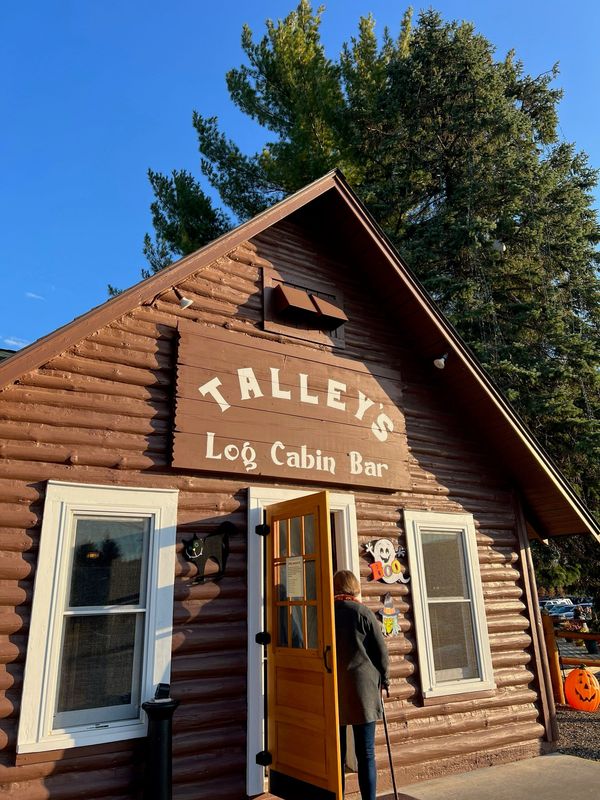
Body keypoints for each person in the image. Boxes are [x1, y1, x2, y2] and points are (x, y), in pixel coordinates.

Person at [333, 570, 390, 800]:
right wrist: (385, 679)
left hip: (335, 687)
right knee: (365, 753)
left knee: (337, 753)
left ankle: (339, 796)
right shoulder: (362, 612)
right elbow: (381, 653)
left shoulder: (327, 613)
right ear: (354, 587)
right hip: (363, 690)